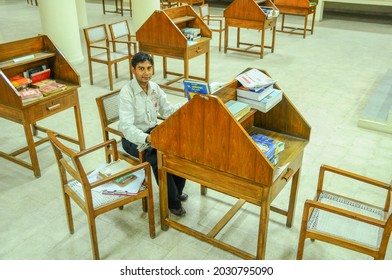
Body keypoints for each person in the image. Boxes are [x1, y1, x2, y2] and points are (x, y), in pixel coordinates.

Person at [119, 51, 187, 217]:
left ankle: (176, 191)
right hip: (133, 139)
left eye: (149, 68)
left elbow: (167, 110)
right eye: (141, 68)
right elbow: (126, 127)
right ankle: (172, 202)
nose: (146, 72)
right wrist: (147, 138)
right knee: (157, 157)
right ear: (133, 69)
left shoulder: (154, 88)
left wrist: (188, 103)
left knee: (179, 148)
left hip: (152, 132)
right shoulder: (126, 93)